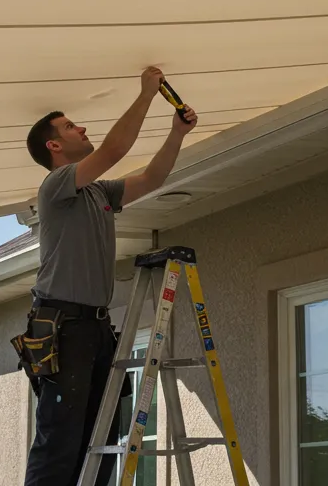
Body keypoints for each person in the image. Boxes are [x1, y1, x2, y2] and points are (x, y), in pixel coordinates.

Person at [21, 66, 198, 486]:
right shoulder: (57, 186)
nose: (81, 128)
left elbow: (152, 178)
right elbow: (116, 149)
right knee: (59, 442)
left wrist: (177, 134)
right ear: (54, 145)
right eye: (70, 127)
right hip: (62, 327)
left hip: (97, 328)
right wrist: (146, 95)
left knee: (99, 442)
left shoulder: (99, 192)